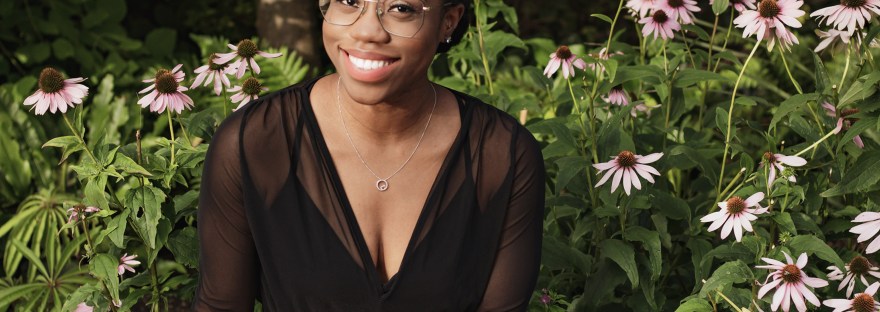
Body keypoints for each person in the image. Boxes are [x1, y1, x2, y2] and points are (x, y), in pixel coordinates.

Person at [194, 0, 545, 310]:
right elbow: (220, 305)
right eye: (349, 0)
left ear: (448, 21)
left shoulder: (503, 155)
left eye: (401, 8)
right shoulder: (256, 143)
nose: (368, 31)